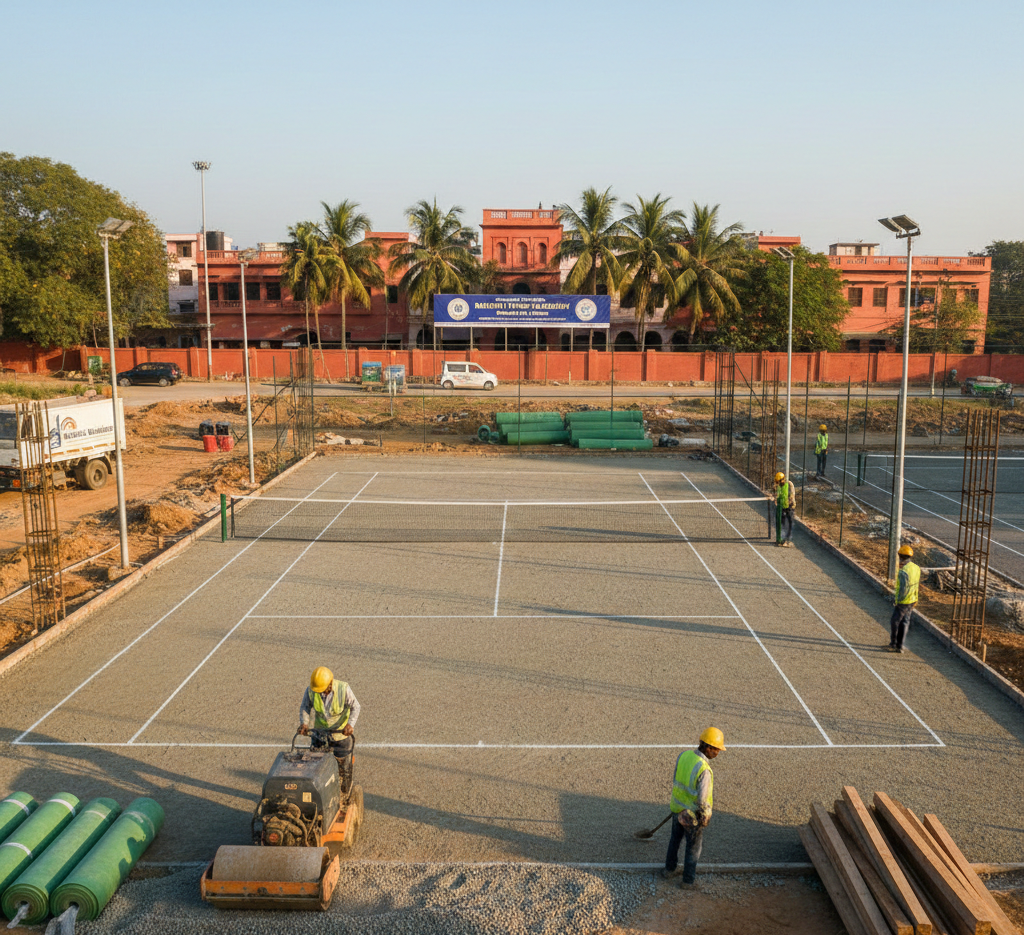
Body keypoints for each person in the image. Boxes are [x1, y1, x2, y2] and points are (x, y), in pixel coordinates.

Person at [662, 727, 725, 886]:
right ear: (708, 747)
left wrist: (680, 805)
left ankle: (669, 870)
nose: (718, 753)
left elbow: (677, 780)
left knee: (674, 841)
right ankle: (688, 881)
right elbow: (703, 800)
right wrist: (704, 818)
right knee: (693, 848)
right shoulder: (705, 770)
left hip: (676, 809)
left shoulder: (683, 755)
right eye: (717, 750)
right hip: (691, 816)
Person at [299, 666, 361, 793]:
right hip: (320, 733)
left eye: (324, 690)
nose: (322, 693)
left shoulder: (343, 689)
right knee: (316, 764)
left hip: (340, 734)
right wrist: (304, 724)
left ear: (330, 683)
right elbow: (305, 707)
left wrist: (350, 725)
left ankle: (344, 791)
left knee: (343, 766)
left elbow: (356, 707)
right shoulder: (311, 690)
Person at [889, 545, 920, 653]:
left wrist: (897, 601)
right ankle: (900, 645)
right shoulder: (916, 568)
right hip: (913, 599)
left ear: (901, 556)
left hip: (904, 600)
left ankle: (893, 643)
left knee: (895, 621)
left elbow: (902, 589)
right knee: (905, 621)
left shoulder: (903, 571)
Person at [773, 471, 795, 547]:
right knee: (781, 523)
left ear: (782, 479)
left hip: (789, 507)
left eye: (778, 481)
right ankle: (782, 539)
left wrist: (788, 504)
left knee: (790, 523)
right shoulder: (778, 486)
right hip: (781, 507)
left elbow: (792, 495)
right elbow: (776, 495)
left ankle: (788, 540)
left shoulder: (789, 484)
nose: (777, 483)